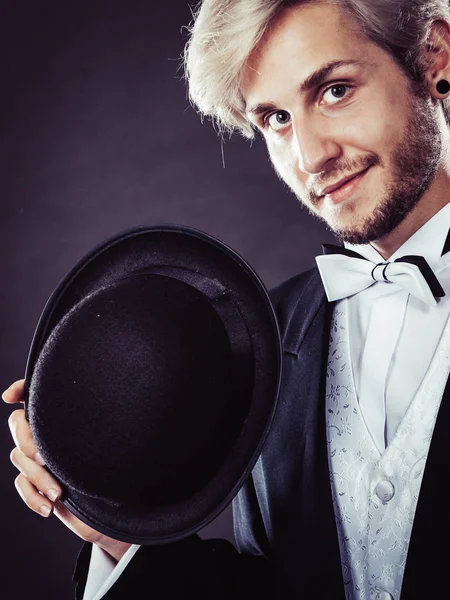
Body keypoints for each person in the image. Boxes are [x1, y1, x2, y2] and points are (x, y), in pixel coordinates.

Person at [4, 0, 450, 598]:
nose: (311, 156)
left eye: (336, 90)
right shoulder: (267, 336)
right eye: (275, 119)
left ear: (435, 58)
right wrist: (112, 530)